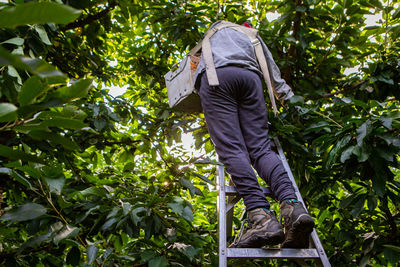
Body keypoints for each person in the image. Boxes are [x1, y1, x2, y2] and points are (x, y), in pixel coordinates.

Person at [193, 20, 315, 248]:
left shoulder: (212, 35)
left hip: (217, 77)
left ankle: (261, 218)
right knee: (260, 149)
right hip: (251, 80)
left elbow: (191, 69)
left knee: (232, 149)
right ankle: (293, 207)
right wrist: (285, 97)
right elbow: (269, 66)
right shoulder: (249, 34)